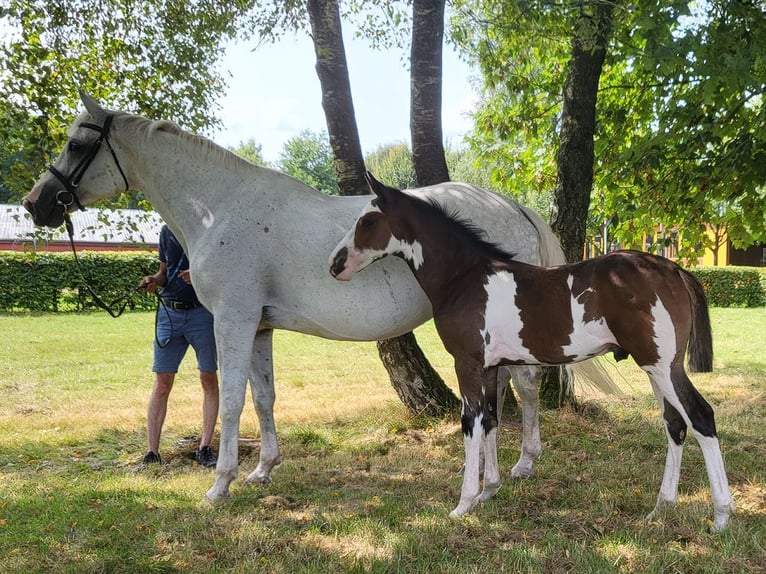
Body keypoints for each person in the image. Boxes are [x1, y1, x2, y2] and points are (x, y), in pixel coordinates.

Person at [135, 225, 219, 469]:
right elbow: (164, 273)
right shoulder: (166, 231)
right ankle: (152, 453)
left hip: (202, 314)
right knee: (162, 382)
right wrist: (154, 280)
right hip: (168, 314)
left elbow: (224, 270)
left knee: (208, 377)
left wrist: (201, 276)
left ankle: (204, 448)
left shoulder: (208, 228)